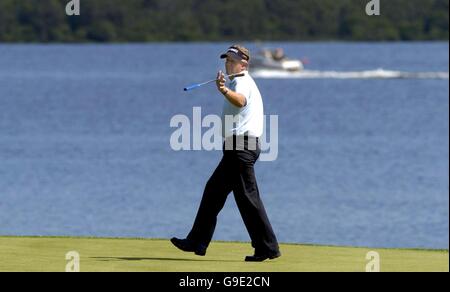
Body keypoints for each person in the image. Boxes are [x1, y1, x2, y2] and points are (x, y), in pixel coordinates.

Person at [171, 45, 281, 262]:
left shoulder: (241, 81)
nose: (228, 64)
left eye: (232, 60)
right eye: (226, 60)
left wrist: (223, 90)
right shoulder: (238, 81)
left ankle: (267, 247)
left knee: (246, 198)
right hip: (237, 148)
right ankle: (199, 242)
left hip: (241, 148)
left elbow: (240, 101)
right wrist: (226, 88)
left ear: (244, 64)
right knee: (216, 192)